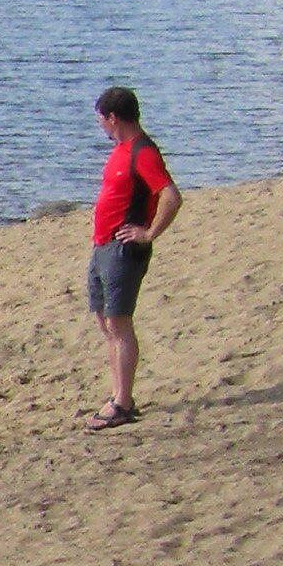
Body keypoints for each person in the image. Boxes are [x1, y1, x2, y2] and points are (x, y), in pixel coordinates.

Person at [83, 85, 182, 433]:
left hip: (123, 250)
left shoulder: (143, 152)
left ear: (113, 118)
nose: (102, 128)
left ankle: (123, 403)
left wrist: (149, 233)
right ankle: (117, 395)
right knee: (105, 322)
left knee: (119, 324)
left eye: (102, 121)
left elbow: (170, 196)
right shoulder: (122, 150)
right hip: (103, 246)